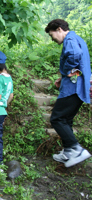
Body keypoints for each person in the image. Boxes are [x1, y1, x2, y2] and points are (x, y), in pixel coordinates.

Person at [45, 19, 91, 167]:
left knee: (57, 119)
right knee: (66, 120)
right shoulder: (78, 39)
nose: (53, 40)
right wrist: (65, 76)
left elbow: (74, 55)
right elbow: (79, 66)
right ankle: (68, 152)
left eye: (52, 36)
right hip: (78, 86)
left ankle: (76, 149)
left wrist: (66, 72)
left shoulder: (69, 39)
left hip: (73, 89)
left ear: (59, 29)